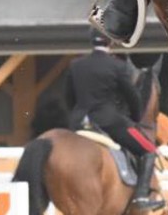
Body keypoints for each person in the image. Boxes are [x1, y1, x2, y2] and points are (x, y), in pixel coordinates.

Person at [64, 29, 162, 209]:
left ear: (92, 42)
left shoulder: (76, 65)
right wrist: (134, 118)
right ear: (111, 43)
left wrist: (77, 115)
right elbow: (132, 97)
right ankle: (141, 197)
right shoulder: (117, 66)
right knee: (149, 150)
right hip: (108, 121)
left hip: (79, 122)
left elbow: (69, 97)